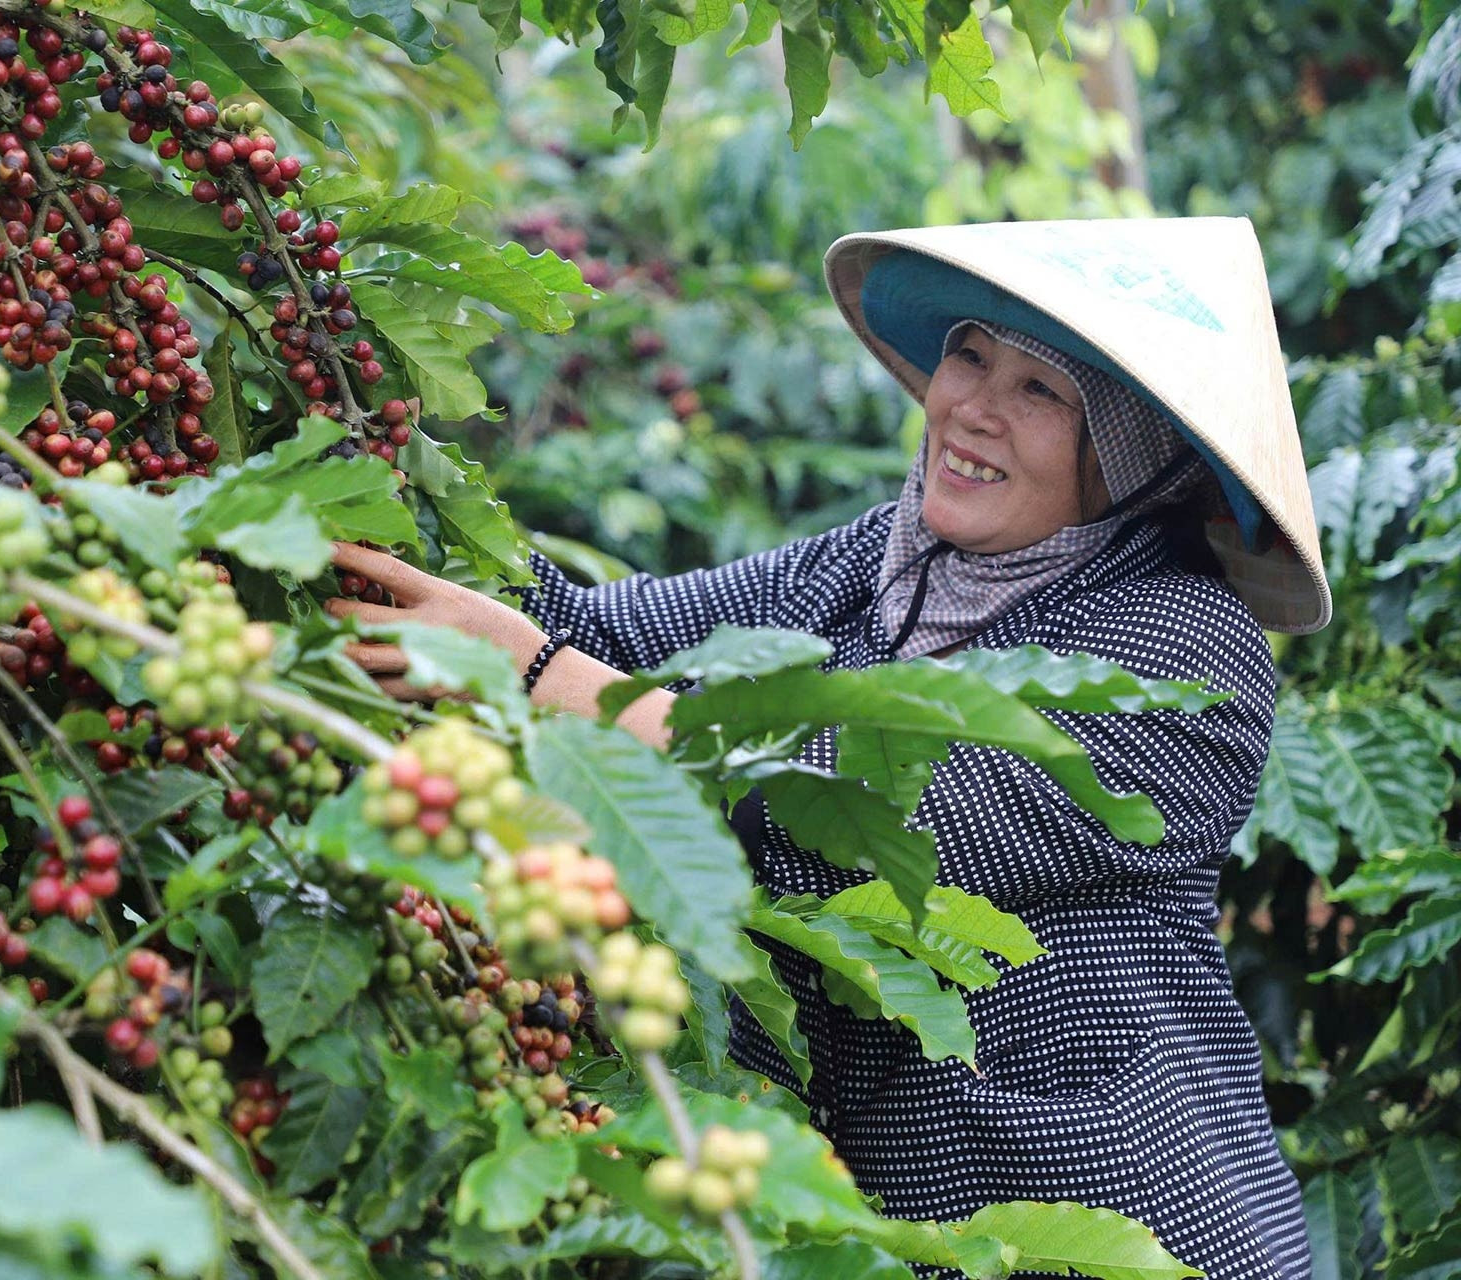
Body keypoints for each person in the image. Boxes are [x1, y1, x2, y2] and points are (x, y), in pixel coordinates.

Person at [326, 218, 1326, 1280]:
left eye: (1042, 392)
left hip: (1112, 1217)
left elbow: (855, 814)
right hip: (875, 1217)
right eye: (971, 354)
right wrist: (387, 475)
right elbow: (608, 628)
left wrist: (535, 671)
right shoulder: (884, 559)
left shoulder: (1185, 645)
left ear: (1126, 454)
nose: (973, 405)